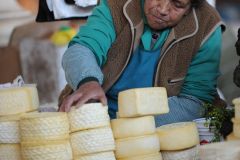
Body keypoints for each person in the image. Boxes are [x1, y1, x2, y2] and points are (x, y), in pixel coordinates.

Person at [59, 0, 225, 126]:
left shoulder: (207, 23)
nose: (162, 9)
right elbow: (83, 48)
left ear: (190, 8)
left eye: (177, 5)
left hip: (159, 124)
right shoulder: (117, 4)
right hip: (97, 115)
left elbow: (195, 101)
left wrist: (128, 126)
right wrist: (87, 82)